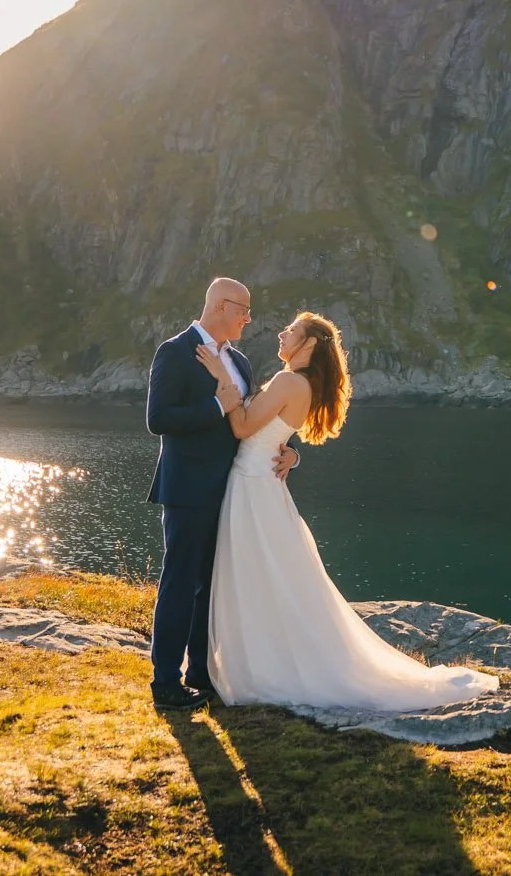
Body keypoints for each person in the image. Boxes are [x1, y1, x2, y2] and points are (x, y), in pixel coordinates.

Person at [198, 310, 498, 712]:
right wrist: (292, 455)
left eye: (292, 331)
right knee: (270, 574)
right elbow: (275, 435)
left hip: (253, 485)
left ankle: (262, 665)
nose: (281, 334)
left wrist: (223, 383)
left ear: (308, 344)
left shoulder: (288, 380)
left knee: (257, 572)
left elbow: (242, 427)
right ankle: (268, 657)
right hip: (261, 483)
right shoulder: (301, 383)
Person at [144, 276, 296, 710]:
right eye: (244, 309)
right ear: (222, 306)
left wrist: (291, 454)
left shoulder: (242, 362)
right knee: (179, 583)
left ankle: (201, 674)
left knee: (210, 586)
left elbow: (256, 422)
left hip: (233, 491)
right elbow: (159, 418)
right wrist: (217, 406)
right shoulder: (174, 351)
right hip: (189, 489)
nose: (250, 318)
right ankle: (166, 683)